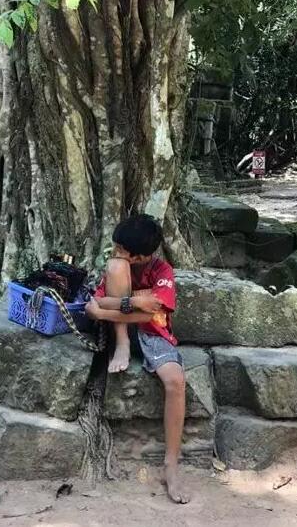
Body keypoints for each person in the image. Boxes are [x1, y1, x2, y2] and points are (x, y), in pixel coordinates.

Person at [85, 214, 190, 504]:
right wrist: (134, 301)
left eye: (122, 249)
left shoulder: (162, 270)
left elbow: (149, 315)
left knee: (176, 381)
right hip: (118, 330)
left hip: (153, 333)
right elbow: (97, 300)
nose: (116, 251)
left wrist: (107, 310)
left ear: (141, 256)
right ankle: (122, 344)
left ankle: (171, 465)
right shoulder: (117, 267)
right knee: (115, 268)